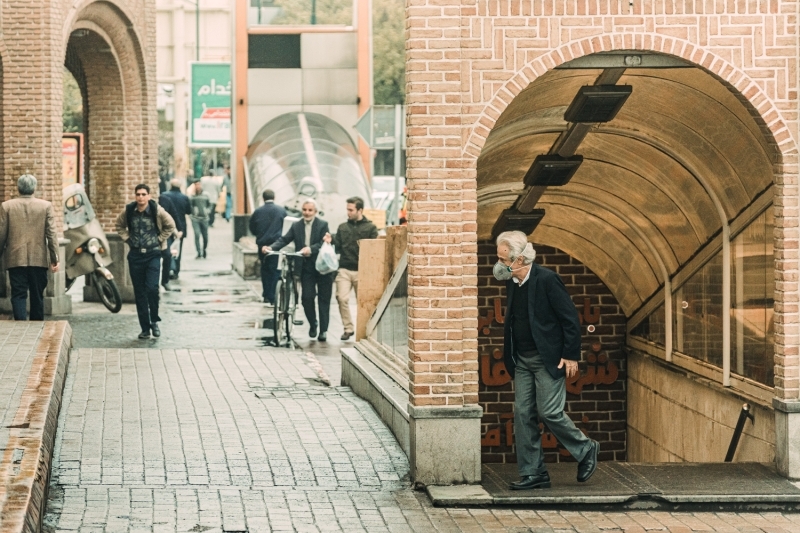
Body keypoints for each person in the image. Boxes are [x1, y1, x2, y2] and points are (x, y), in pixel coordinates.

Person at [495, 230, 598, 490]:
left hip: (547, 358)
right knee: (522, 414)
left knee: (550, 411)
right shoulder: (512, 281)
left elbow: (569, 318)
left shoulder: (548, 280)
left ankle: (586, 449)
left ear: (519, 260)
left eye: (504, 260)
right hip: (522, 360)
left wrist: (571, 353)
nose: (500, 265)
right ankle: (534, 473)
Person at [265, 199, 333, 342]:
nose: (307, 213)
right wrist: (271, 248)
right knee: (306, 298)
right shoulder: (297, 226)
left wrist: (311, 249)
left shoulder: (322, 224)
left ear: (315, 212)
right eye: (304, 210)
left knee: (323, 299)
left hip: (322, 266)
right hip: (306, 268)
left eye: (310, 210)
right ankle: (313, 323)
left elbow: (324, 242)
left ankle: (323, 330)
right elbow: (285, 239)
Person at [115, 184, 176, 339]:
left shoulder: (157, 211)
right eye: (138, 194)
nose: (140, 197)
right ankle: (145, 328)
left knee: (152, 288)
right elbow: (119, 225)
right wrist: (127, 239)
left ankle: (154, 321)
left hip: (153, 254)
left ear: (149, 196)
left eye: (143, 194)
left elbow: (171, 226)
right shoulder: (129, 211)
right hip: (135, 256)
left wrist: (159, 239)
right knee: (140, 293)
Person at [0, 174, 59, 320]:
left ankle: (20, 325)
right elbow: (51, 234)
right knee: (37, 294)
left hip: (15, 258)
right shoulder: (45, 206)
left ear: (18, 188)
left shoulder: (7, 206)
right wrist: (54, 258)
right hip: (38, 258)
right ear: (34, 188)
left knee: (18, 294)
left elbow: (1, 234)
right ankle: (37, 324)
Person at [323, 196, 378, 341]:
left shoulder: (371, 228)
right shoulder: (343, 227)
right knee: (341, 298)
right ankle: (348, 328)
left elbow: (374, 250)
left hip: (362, 270)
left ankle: (365, 330)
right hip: (345, 269)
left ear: (360, 210)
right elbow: (338, 246)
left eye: (351, 210)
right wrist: (331, 241)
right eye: (347, 209)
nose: (348, 212)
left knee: (364, 302)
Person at [249, 189, 286, 304]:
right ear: (274, 197)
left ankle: (266, 293)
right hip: (276, 245)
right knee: (275, 269)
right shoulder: (281, 211)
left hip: (262, 245)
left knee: (265, 269)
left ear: (263, 198)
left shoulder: (258, 211)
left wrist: (260, 236)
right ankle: (273, 295)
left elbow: (252, 227)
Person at [161, 178, 191, 279]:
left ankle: (168, 268)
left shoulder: (164, 196)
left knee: (167, 248)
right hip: (180, 226)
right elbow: (188, 211)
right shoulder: (184, 197)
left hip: (166, 227)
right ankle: (176, 270)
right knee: (177, 249)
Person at [157, 193, 181, 291]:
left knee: (167, 256)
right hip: (149, 237)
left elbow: (172, 217)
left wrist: (178, 230)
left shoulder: (165, 200)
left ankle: (165, 281)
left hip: (164, 236)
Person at [189, 182, 212, 259]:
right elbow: (189, 206)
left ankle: (204, 249)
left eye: (199, 184)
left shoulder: (206, 195)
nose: (198, 186)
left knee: (205, 236)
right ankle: (198, 252)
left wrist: (208, 211)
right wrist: (192, 212)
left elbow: (210, 205)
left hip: (205, 219)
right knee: (197, 234)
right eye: (196, 185)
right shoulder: (192, 196)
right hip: (195, 219)